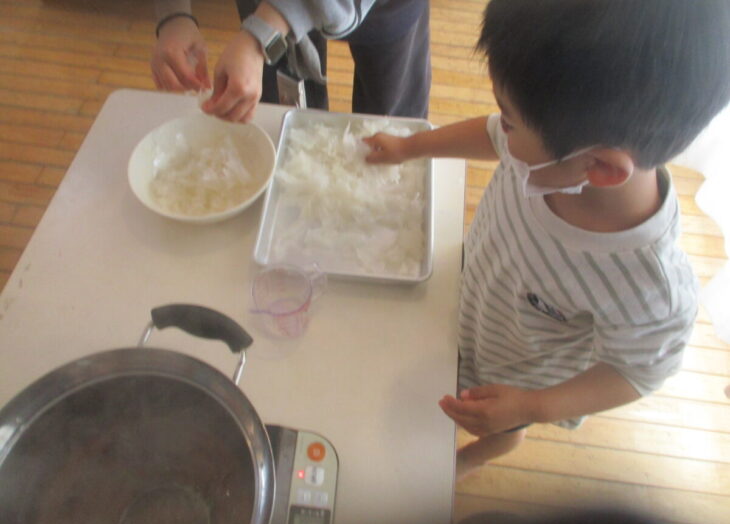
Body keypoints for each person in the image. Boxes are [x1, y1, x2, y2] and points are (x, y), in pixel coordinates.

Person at [364, 0, 730, 478]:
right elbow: (493, 135)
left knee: (500, 424)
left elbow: (639, 370)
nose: (502, 128)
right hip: (477, 292)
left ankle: (480, 454)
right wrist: (411, 147)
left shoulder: (648, 286)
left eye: (510, 120)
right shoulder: (559, 150)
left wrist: (531, 406)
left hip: (517, 371)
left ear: (599, 167)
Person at [151, 0, 431, 122]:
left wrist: (262, 33)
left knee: (391, 123)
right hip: (265, 15)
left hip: (387, 9)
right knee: (290, 119)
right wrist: (174, 16)